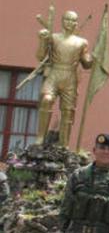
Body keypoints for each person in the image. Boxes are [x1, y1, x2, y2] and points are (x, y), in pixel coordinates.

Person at [34, 10, 92, 146]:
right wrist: (42, 41)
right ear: (62, 20)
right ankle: (40, 137)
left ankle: (64, 143)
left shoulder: (81, 42)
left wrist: (94, 57)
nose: (70, 22)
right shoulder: (53, 37)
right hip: (54, 73)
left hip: (70, 76)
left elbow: (86, 64)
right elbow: (41, 57)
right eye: (67, 19)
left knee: (68, 110)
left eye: (73, 20)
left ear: (76, 23)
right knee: (47, 100)